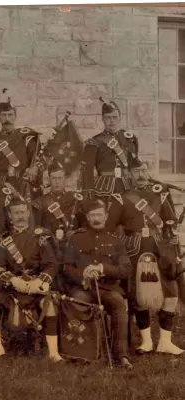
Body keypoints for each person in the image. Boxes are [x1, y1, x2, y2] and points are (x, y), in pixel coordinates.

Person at [106, 161, 183, 355]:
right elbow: (110, 228)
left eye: (142, 170)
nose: (140, 174)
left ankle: (165, 341)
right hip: (135, 251)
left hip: (160, 250)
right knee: (138, 295)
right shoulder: (122, 198)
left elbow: (169, 221)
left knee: (171, 293)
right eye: (135, 171)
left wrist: (171, 234)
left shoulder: (159, 194)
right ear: (129, 174)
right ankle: (146, 341)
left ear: (148, 171)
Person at [0, 196, 61, 361]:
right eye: (15, 213)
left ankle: (53, 352)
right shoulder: (1, 238)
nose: (20, 216)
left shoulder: (41, 235)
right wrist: (13, 280)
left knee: (49, 304)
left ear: (28, 214)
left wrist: (39, 282)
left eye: (22, 212)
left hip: (35, 287)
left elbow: (51, 264)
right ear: (10, 216)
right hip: (11, 288)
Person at [63, 197, 133, 368]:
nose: (96, 219)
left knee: (118, 303)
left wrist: (103, 268)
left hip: (107, 288)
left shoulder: (116, 241)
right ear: (87, 217)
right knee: (79, 302)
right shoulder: (76, 239)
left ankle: (121, 354)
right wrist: (84, 275)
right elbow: (66, 268)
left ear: (106, 216)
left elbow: (126, 269)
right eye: (93, 215)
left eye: (99, 215)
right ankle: (84, 352)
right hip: (83, 288)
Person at [81, 98, 139, 197]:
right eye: (108, 117)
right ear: (102, 119)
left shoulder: (129, 138)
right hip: (104, 188)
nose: (112, 121)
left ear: (120, 118)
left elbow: (135, 166)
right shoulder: (94, 142)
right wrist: (89, 194)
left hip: (127, 187)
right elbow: (87, 171)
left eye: (114, 117)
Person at [0, 91, 39, 192]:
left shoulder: (26, 137)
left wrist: (35, 168)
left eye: (10, 115)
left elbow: (37, 159)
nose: (7, 119)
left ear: (15, 116)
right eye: (3, 115)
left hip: (22, 185)